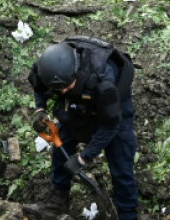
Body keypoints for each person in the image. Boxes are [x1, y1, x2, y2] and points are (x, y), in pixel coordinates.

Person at [25, 37, 138, 219]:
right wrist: (40, 109)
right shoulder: (47, 69)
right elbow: (39, 87)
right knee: (62, 144)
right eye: (57, 89)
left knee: (121, 160)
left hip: (113, 107)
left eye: (65, 87)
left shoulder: (103, 81)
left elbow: (111, 125)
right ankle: (58, 198)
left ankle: (127, 213)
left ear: (76, 72)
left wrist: (84, 158)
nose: (61, 92)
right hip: (79, 102)